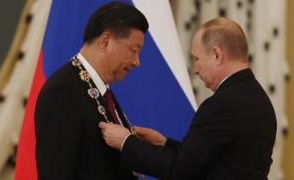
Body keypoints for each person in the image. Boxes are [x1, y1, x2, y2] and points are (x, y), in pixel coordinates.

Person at [99, 17, 277, 180]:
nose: (195, 69)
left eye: (197, 59)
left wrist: (126, 141)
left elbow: (179, 169)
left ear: (217, 55)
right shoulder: (259, 98)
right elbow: (216, 161)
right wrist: (164, 143)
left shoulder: (222, 105)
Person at [34, 2, 148, 180]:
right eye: (134, 50)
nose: (136, 62)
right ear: (105, 41)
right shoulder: (62, 91)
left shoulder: (99, 89)